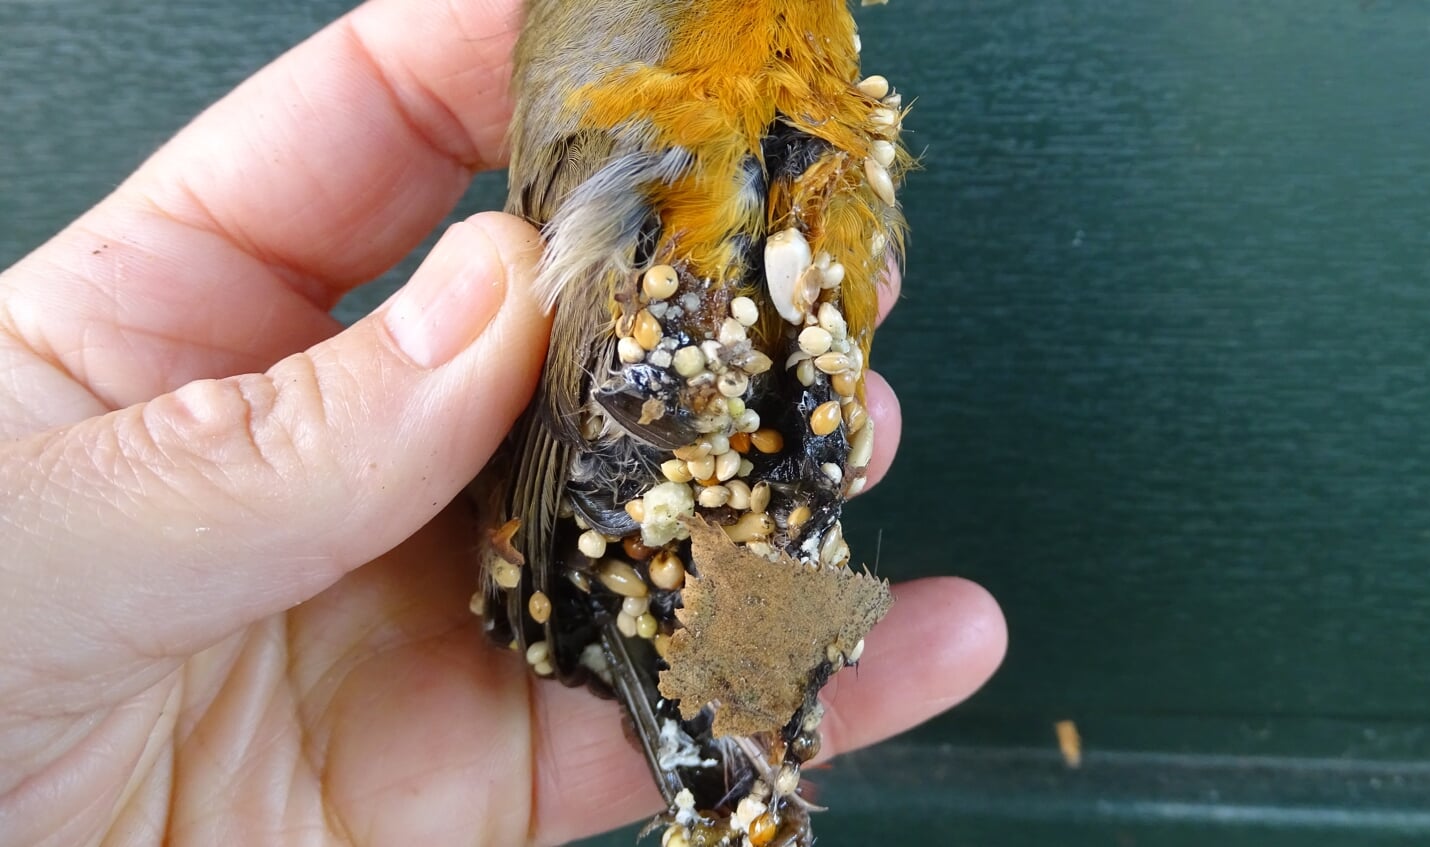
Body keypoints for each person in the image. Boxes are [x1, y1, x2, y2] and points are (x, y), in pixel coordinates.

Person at [0, 1, 1007, 843]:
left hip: (631, 574)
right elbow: (573, 448)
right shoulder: (647, 134)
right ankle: (725, 755)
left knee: (781, 523)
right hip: (559, 557)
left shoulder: (799, 111)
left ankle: (734, 748)